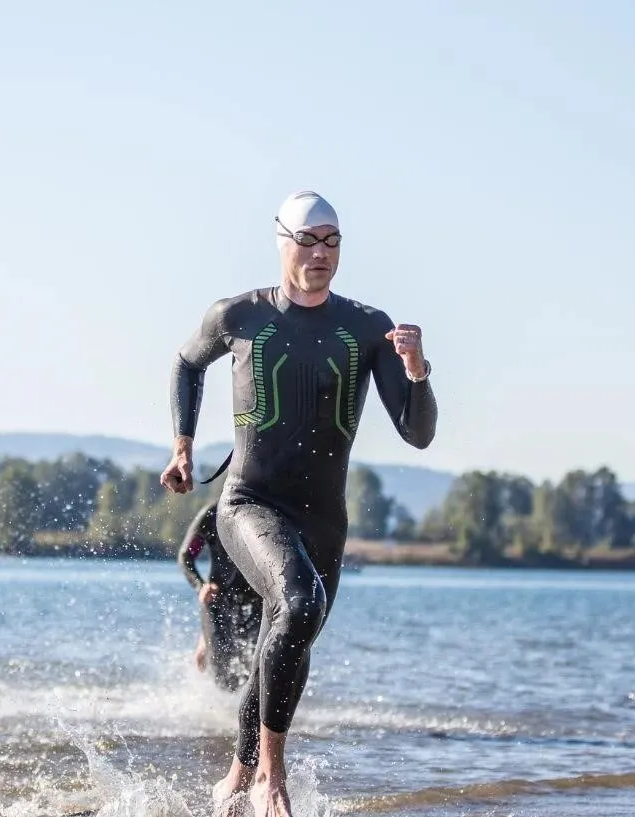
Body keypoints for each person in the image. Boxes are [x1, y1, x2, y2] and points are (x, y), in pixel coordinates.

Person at [159, 191, 438, 817]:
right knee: (300, 600)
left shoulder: (367, 328)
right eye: (307, 240)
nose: (320, 253)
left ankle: (236, 773)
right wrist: (182, 448)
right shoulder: (239, 316)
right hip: (249, 502)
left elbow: (417, 432)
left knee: (294, 630)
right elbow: (185, 363)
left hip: (323, 519)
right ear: (281, 240)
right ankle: (270, 778)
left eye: (331, 241)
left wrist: (417, 370)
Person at [178, 500, 262, 693]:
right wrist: (201, 586)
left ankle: (249, 718)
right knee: (224, 676)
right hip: (218, 600)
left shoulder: (265, 511)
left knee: (254, 671)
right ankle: (218, 717)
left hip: (257, 603)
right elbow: (186, 556)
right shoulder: (213, 513)